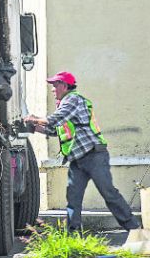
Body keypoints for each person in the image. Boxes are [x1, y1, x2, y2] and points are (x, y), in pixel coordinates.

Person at [23, 71, 141, 233]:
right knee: (73, 198)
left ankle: (135, 228)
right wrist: (34, 127)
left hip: (94, 156)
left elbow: (55, 119)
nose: (52, 89)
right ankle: (73, 235)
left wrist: (33, 119)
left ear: (64, 86)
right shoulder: (65, 103)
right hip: (78, 159)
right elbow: (54, 130)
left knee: (108, 193)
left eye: (55, 85)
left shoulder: (73, 99)